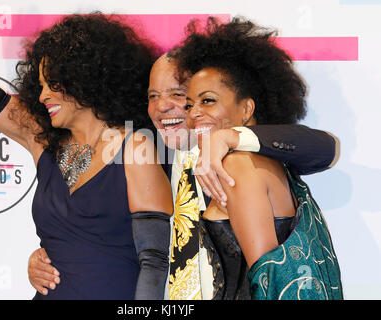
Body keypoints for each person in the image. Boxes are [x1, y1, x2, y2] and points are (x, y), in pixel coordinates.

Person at [28, 38, 339, 299]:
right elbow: (126, 243)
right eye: (152, 96)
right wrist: (43, 258)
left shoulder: (242, 157)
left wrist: (231, 136)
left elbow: (324, 148)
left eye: (180, 96)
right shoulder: (151, 154)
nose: (163, 106)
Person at [0, 12, 173, 299]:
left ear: (84, 78)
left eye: (53, 84)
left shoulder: (135, 148)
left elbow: (155, 262)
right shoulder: (41, 139)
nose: (43, 95)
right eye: (41, 85)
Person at [174, 16, 343, 300]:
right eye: (190, 105)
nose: (193, 114)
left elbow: (268, 284)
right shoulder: (262, 162)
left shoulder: (239, 164)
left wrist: (229, 137)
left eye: (208, 100)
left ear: (247, 108)